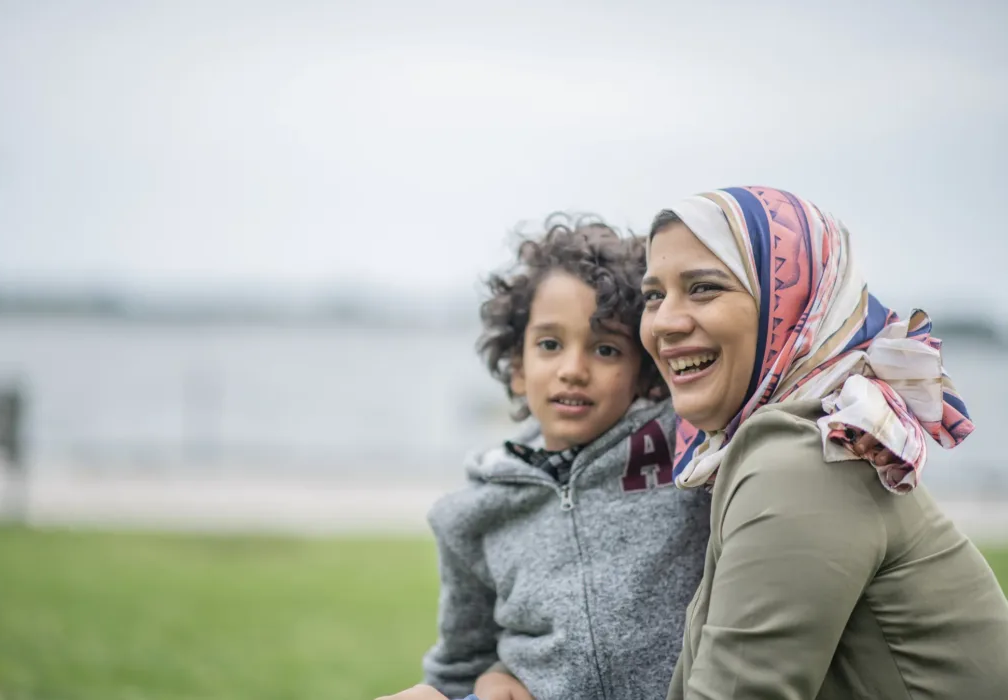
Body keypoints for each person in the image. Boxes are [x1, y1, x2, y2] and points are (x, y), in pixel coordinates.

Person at [376, 213, 905, 700]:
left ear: (647, 369)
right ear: (517, 367)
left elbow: (782, 398)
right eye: (549, 345)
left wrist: (862, 422)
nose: (573, 369)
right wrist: (490, 675)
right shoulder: (473, 512)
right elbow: (460, 660)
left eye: (606, 349)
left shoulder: (690, 448)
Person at [638, 185, 1008, 699]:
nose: (665, 322)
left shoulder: (804, 462)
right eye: (653, 295)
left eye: (703, 288)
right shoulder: (820, 436)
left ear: (792, 306)